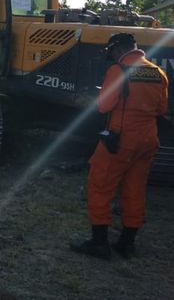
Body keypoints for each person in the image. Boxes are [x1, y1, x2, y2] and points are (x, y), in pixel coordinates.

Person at [70, 33, 168, 259]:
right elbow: (162, 109)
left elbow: (104, 106)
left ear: (119, 49)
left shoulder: (118, 70)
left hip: (121, 139)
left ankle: (99, 243)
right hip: (148, 140)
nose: (113, 56)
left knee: (100, 184)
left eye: (113, 52)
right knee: (135, 188)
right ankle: (127, 243)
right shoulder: (157, 72)